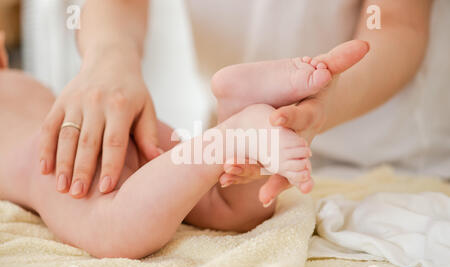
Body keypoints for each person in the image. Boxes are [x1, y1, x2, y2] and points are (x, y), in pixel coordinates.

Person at [0, 33, 368, 258]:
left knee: (114, 229)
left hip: (52, 155)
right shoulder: (23, 82)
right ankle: (243, 106)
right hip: (110, 116)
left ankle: (230, 136)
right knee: (226, 207)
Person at [38, 0, 438, 203]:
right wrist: (110, 58)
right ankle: (244, 110)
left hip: (389, 143)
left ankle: (247, 114)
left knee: (222, 204)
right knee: (229, 200)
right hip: (250, 138)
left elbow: (395, 19)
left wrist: (326, 104)